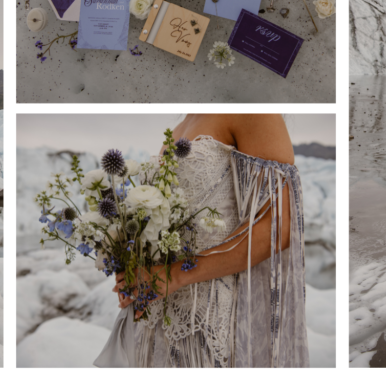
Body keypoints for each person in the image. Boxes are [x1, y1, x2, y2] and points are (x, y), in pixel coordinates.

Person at [112, 114, 308, 367]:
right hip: (160, 319)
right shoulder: (183, 123)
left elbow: (279, 227)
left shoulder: (254, 111)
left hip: (213, 319)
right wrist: (135, 266)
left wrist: (175, 275)